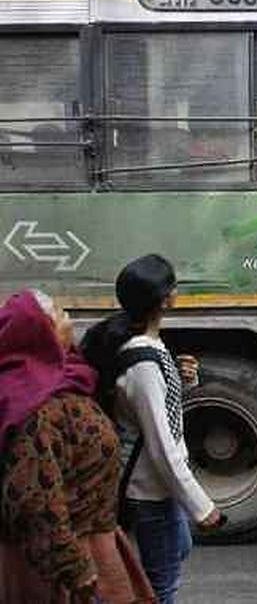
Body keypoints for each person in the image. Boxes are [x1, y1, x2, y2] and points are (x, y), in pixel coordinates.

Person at [81, 255, 223, 604]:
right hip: (150, 491)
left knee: (177, 550)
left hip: (158, 488)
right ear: (164, 299)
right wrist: (203, 507)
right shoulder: (143, 362)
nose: (177, 290)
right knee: (164, 586)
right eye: (173, 285)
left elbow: (154, 411)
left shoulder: (149, 347)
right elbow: (162, 444)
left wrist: (180, 381)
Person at [0, 289, 155, 603]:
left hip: (92, 545)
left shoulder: (60, 381)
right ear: (40, 332)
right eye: (59, 313)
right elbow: (35, 500)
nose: (68, 318)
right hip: (67, 567)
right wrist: (76, 570)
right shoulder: (38, 406)